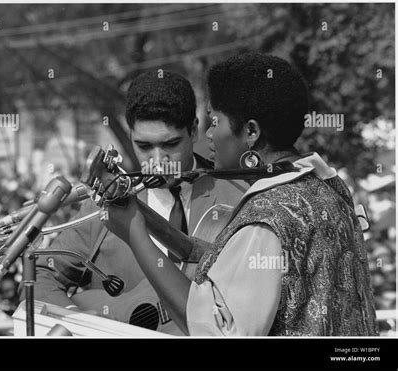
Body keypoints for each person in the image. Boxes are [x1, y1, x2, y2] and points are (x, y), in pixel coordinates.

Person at [103, 53, 378, 336]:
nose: (209, 134)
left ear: (250, 131)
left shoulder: (266, 220)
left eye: (214, 121)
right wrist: (142, 214)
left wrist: (135, 234)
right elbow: (224, 259)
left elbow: (213, 331)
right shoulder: (324, 191)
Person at [28, 70, 248, 328]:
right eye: (144, 146)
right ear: (130, 135)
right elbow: (42, 274)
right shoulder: (104, 203)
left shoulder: (239, 198)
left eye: (170, 144)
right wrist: (77, 325)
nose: (157, 161)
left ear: (194, 130)